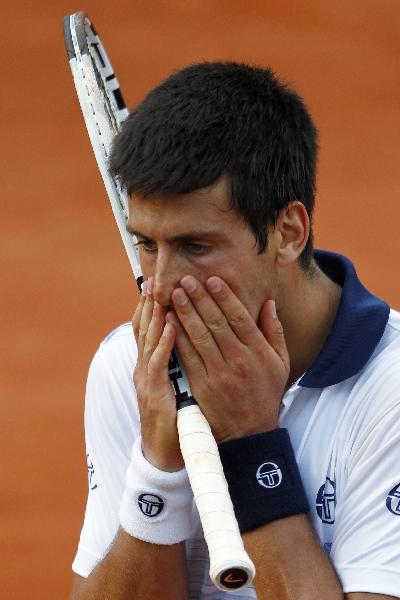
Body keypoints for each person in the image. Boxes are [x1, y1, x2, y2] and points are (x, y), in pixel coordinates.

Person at [69, 62, 400, 600]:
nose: (158, 286)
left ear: (288, 233)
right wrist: (158, 466)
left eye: (196, 247)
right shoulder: (132, 366)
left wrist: (251, 442)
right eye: (147, 246)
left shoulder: (391, 395)